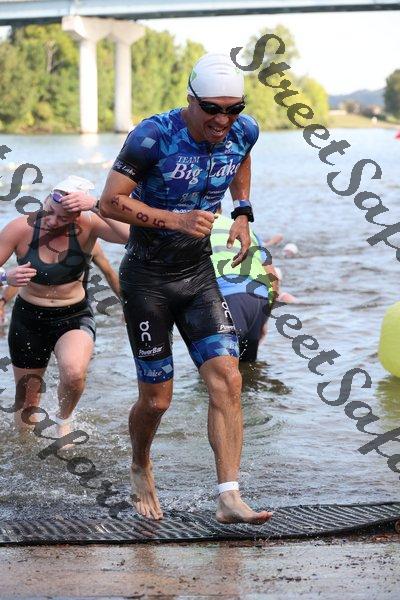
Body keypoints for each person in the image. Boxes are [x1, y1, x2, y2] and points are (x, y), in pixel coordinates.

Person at [99, 53, 273, 523]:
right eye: (212, 109)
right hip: (147, 280)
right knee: (157, 399)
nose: (222, 120)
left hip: (198, 276)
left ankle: (229, 497)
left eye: (233, 109)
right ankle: (140, 463)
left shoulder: (244, 130)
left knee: (228, 378)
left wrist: (242, 211)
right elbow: (109, 202)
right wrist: (175, 220)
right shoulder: (152, 136)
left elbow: (242, 159)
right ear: (191, 100)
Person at [0, 175, 129, 439]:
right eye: (50, 211)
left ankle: (64, 420)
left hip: (73, 315)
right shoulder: (19, 228)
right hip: (28, 319)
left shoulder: (89, 225)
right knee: (27, 402)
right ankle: (24, 448)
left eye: (63, 218)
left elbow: (131, 235)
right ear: (47, 199)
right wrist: (6, 277)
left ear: (76, 216)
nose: (52, 220)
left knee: (73, 373)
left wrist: (96, 205)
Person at [0, 241, 121, 326]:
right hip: (38, 307)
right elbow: (21, 276)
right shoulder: (39, 246)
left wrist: (126, 305)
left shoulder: (90, 244)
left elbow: (109, 274)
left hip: (76, 306)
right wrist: (2, 302)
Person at [210, 212, 277, 362]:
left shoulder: (194, 225)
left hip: (226, 298)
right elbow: (273, 277)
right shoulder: (246, 230)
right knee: (248, 368)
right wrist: (264, 318)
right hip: (259, 298)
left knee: (216, 369)